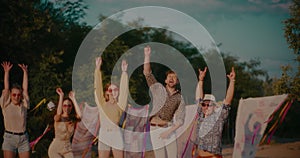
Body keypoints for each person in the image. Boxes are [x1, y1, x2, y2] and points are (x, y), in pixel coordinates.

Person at [143, 46, 186, 158]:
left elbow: (180, 119)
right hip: (154, 129)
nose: (171, 79)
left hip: (169, 129)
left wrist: (169, 132)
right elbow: (147, 74)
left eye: (174, 77)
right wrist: (147, 56)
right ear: (166, 80)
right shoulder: (158, 89)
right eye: (169, 77)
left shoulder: (180, 98)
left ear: (177, 81)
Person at [194, 67, 235, 158]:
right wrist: (201, 80)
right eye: (204, 105)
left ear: (215, 106)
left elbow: (227, 101)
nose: (206, 107)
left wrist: (232, 81)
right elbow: (198, 99)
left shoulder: (219, 117)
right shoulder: (201, 116)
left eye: (209, 105)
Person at [94, 57, 128, 158]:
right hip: (104, 134)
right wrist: (97, 69)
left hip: (116, 134)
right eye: (110, 90)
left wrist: (124, 73)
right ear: (107, 93)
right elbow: (98, 87)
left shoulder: (120, 105)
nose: (113, 92)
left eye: (115, 89)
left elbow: (125, 90)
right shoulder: (102, 104)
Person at [0, 61, 30, 158]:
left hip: (23, 139)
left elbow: (25, 89)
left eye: (18, 95)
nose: (16, 97)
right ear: (10, 95)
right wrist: (6, 72)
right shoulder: (6, 104)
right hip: (9, 138)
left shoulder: (24, 105)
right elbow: (6, 87)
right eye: (14, 94)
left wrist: (25, 72)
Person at [48, 87, 82, 158]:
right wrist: (61, 96)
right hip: (55, 149)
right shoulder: (57, 118)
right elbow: (59, 113)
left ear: (72, 107)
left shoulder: (72, 119)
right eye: (65, 105)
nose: (67, 108)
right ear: (62, 106)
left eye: (69, 105)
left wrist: (73, 99)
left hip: (67, 148)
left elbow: (80, 115)